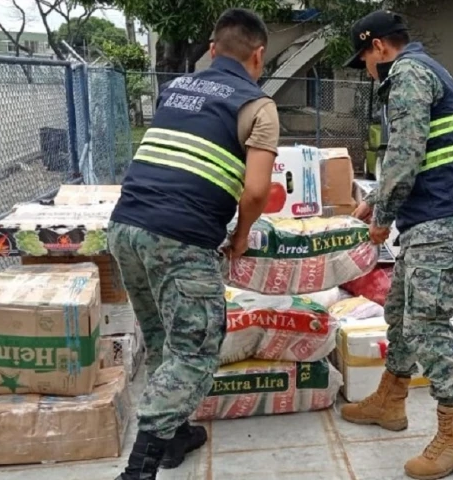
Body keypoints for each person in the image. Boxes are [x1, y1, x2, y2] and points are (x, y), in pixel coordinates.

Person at [108, 8, 279, 480]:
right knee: (196, 350)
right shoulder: (258, 106)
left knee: (165, 335)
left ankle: (175, 436)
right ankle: (138, 471)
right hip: (180, 239)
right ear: (258, 55)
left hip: (125, 228)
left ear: (211, 49)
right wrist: (240, 237)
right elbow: (258, 191)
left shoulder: (176, 88)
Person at [341, 10, 453, 480]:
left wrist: (381, 218)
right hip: (431, 217)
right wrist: (375, 202)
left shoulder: (406, 74)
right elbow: (414, 156)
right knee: (401, 313)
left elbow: (405, 152)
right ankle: (390, 398)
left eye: (363, 58)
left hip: (440, 221)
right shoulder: (424, 69)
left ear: (379, 47)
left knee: (427, 324)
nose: (365, 68)